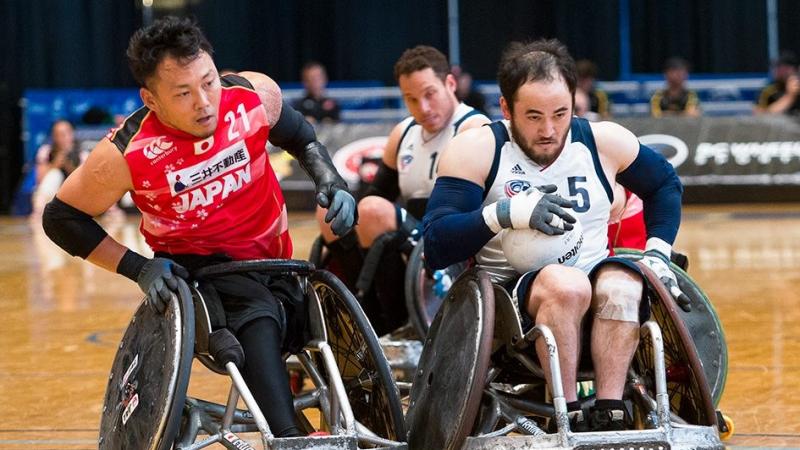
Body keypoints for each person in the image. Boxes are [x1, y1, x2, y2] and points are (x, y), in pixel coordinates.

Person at [41, 16, 356, 438]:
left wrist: (330, 179)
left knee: (331, 316)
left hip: (275, 258)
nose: (205, 102)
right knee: (257, 318)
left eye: (209, 82)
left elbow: (301, 138)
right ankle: (289, 438)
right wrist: (137, 267)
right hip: (205, 272)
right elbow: (61, 219)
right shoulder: (126, 153)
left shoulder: (251, 94)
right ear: (151, 100)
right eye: (184, 93)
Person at [423, 39, 686, 431]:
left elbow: (665, 183)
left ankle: (609, 411)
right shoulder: (477, 149)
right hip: (510, 300)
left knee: (625, 283)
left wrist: (658, 251)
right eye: (533, 116)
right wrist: (503, 214)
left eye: (560, 114)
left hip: (594, 279)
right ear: (506, 109)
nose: (549, 130)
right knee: (567, 287)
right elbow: (435, 244)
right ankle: (569, 413)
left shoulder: (602, 141)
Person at [315, 45, 490, 335]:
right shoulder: (404, 132)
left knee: (373, 212)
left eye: (430, 94)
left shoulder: (474, 127)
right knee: (329, 213)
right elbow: (374, 193)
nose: (423, 108)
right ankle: (367, 315)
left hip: (455, 237)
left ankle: (393, 324)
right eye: (411, 99)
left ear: (450, 83)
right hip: (409, 236)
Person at [31, 120, 85, 216]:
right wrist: (56, 163)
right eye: (58, 134)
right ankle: (39, 212)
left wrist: (68, 165)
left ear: (72, 134)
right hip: (51, 197)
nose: (62, 138)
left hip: (74, 197)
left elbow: (84, 181)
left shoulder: (82, 153)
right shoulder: (45, 151)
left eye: (65, 133)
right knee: (55, 174)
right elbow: (39, 180)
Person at [755, 50, 800, 115]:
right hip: (776, 124)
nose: (777, 71)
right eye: (776, 67)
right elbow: (759, 115)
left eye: (782, 68)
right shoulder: (768, 90)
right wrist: (790, 96)